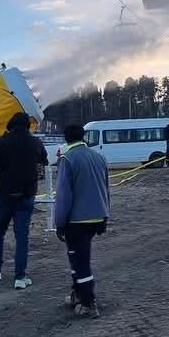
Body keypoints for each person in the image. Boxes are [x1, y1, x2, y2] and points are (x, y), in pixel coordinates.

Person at [0, 112, 48, 289]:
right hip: (26, 196)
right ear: (27, 125)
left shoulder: (1, 143)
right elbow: (45, 159)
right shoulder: (35, 142)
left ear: (10, 125)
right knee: (22, 237)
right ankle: (20, 277)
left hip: (4, 195)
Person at [55, 124, 111, 318]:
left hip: (77, 221)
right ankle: (77, 293)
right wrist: (105, 215)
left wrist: (59, 223)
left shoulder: (67, 159)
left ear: (66, 138)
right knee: (77, 257)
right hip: (97, 216)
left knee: (80, 260)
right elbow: (106, 188)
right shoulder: (98, 157)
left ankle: (88, 302)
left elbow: (63, 196)